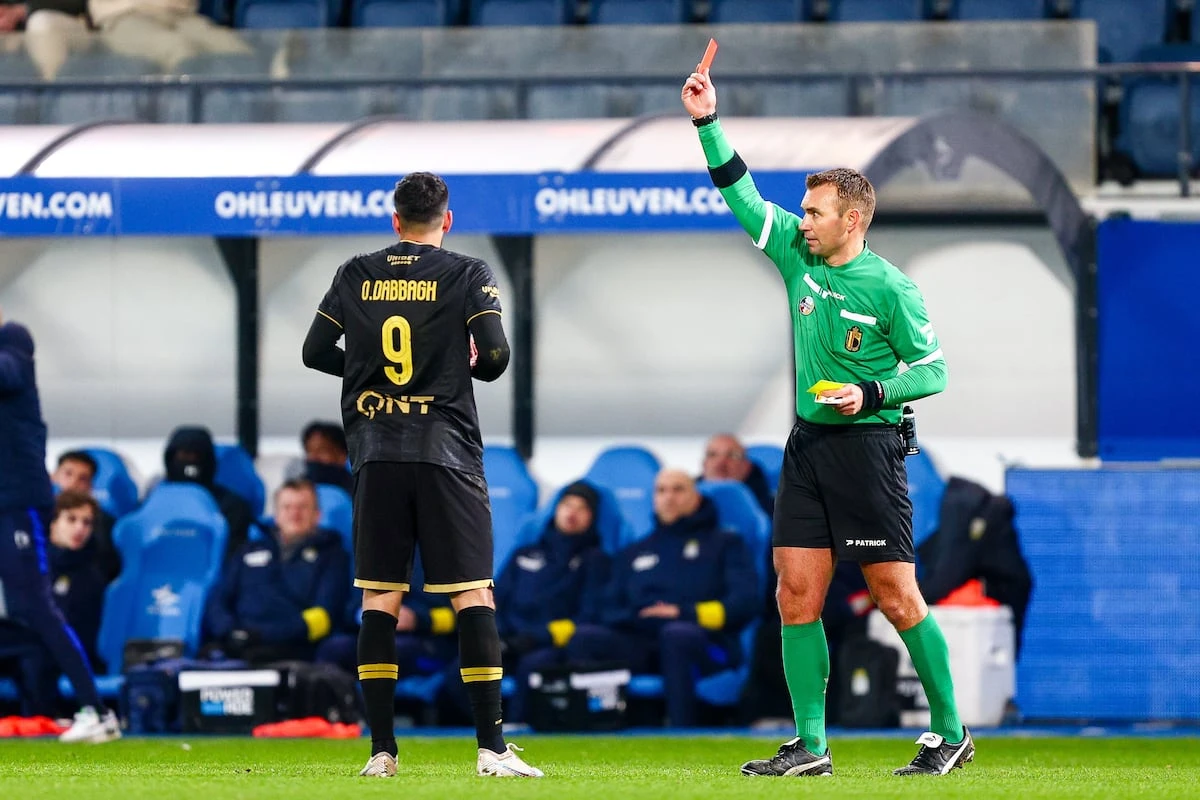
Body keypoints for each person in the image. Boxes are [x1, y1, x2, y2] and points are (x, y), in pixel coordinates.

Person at [682, 67, 972, 776]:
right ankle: (811, 745)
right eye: (803, 211)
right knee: (794, 592)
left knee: (894, 595)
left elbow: (932, 371)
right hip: (807, 448)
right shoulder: (794, 252)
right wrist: (706, 122)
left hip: (869, 449)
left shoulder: (892, 287)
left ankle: (951, 732)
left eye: (814, 212)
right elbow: (739, 193)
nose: (801, 220)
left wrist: (870, 394)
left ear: (855, 220)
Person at [301, 171, 541, 778]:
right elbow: (496, 358)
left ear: (394, 220)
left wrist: (366, 371)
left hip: (376, 449)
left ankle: (382, 753)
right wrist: (455, 372)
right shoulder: (468, 274)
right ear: (447, 220)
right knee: (472, 594)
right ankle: (491, 749)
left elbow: (313, 352)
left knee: (380, 599)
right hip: (446, 452)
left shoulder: (355, 272)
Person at [0, 312, 119, 743]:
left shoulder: (12, 337)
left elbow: (7, 373)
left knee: (35, 605)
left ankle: (97, 711)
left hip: (15, 502)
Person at [566, 469, 757, 728]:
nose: (669, 497)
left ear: (696, 497)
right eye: (661, 490)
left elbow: (745, 601)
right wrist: (638, 616)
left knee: (676, 635)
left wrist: (683, 613)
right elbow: (606, 607)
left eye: (678, 489)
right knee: (586, 638)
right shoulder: (635, 552)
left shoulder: (725, 543)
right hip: (644, 641)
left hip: (706, 644)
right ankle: (591, 733)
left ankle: (682, 732)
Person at [486, 480, 611, 723]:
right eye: (567, 504)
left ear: (592, 517)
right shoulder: (525, 553)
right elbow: (495, 599)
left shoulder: (595, 560)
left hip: (551, 645)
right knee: (462, 666)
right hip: (509, 640)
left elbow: (588, 614)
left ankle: (515, 732)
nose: (572, 512)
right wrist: (500, 637)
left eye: (581, 508)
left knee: (532, 665)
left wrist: (537, 638)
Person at [202, 479, 350, 664]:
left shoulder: (332, 556)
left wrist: (263, 635)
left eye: (302, 507)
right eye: (287, 507)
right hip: (236, 645)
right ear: (276, 515)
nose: (294, 514)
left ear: (317, 515)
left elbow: (323, 618)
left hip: (293, 650)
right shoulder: (248, 551)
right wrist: (229, 631)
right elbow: (219, 599)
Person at [161, 425, 254, 562]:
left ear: (210, 460)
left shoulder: (233, 507)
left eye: (197, 455)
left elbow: (231, 557)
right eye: (184, 455)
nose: (190, 462)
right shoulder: (154, 504)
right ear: (170, 459)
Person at [46, 491, 110, 672]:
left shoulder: (93, 577)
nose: (80, 528)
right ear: (53, 522)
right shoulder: (30, 566)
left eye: (87, 522)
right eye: (71, 519)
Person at [50, 449, 121, 582]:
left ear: (91, 485)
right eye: (68, 474)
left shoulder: (106, 526)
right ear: (54, 476)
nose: (73, 482)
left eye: (82, 478)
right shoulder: (34, 517)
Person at [698, 433, 775, 516]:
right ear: (704, 463)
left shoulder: (775, 510)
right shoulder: (687, 496)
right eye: (712, 455)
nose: (720, 462)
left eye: (732, 455)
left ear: (746, 465)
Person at [296, 420, 354, 494]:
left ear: (342, 455)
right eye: (309, 451)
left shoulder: (361, 482)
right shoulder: (303, 484)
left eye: (321, 451)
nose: (313, 458)